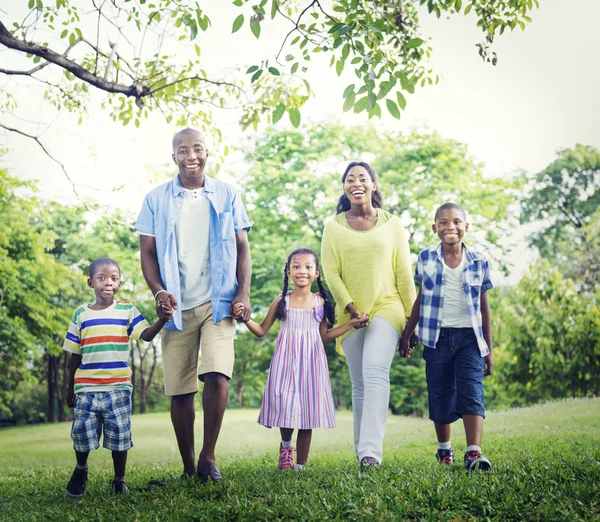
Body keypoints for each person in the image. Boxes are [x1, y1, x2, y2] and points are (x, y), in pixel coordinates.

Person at [135, 128, 252, 482]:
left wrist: (242, 293)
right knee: (180, 388)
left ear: (207, 153)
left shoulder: (228, 194)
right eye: (183, 150)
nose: (191, 156)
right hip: (176, 305)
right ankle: (188, 467)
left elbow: (243, 249)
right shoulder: (156, 199)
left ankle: (208, 457)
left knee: (217, 375)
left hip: (219, 301)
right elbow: (148, 253)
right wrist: (158, 292)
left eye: (197, 149)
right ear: (174, 157)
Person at [321, 161, 416, 468]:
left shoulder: (393, 224)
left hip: (388, 306)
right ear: (345, 187)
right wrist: (350, 309)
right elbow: (331, 274)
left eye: (363, 178)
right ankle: (361, 449)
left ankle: (370, 453)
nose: (357, 183)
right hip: (350, 313)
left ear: (374, 185)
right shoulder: (333, 227)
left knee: (375, 372)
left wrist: (411, 322)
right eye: (350, 179)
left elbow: (404, 274)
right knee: (359, 384)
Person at [234, 248, 365, 470]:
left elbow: (324, 335)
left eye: (307, 267)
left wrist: (350, 325)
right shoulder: (281, 301)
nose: (302, 271)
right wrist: (243, 318)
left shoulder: (321, 303)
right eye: (296, 266)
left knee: (307, 410)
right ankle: (286, 448)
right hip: (285, 361)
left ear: (317, 273)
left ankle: (301, 465)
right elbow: (261, 330)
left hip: (312, 362)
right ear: (288, 272)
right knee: (286, 407)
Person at [63, 258, 171, 498]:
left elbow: (145, 335)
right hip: (86, 389)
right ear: (91, 282)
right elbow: (74, 354)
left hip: (118, 388)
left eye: (113, 278)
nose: (108, 282)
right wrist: (69, 388)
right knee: (81, 436)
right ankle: (81, 469)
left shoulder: (127, 310)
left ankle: (119, 479)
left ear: (120, 283)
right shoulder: (80, 314)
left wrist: (162, 321)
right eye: (101, 278)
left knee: (120, 437)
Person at [399, 202, 494, 471]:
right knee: (440, 394)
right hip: (436, 337)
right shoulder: (426, 258)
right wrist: (408, 334)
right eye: (443, 222)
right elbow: (420, 298)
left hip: (470, 339)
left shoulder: (479, 261)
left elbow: (484, 308)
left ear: (466, 226)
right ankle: (444, 450)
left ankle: (474, 452)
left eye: (455, 222)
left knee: (472, 391)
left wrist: (489, 349)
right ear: (434, 228)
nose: (450, 227)